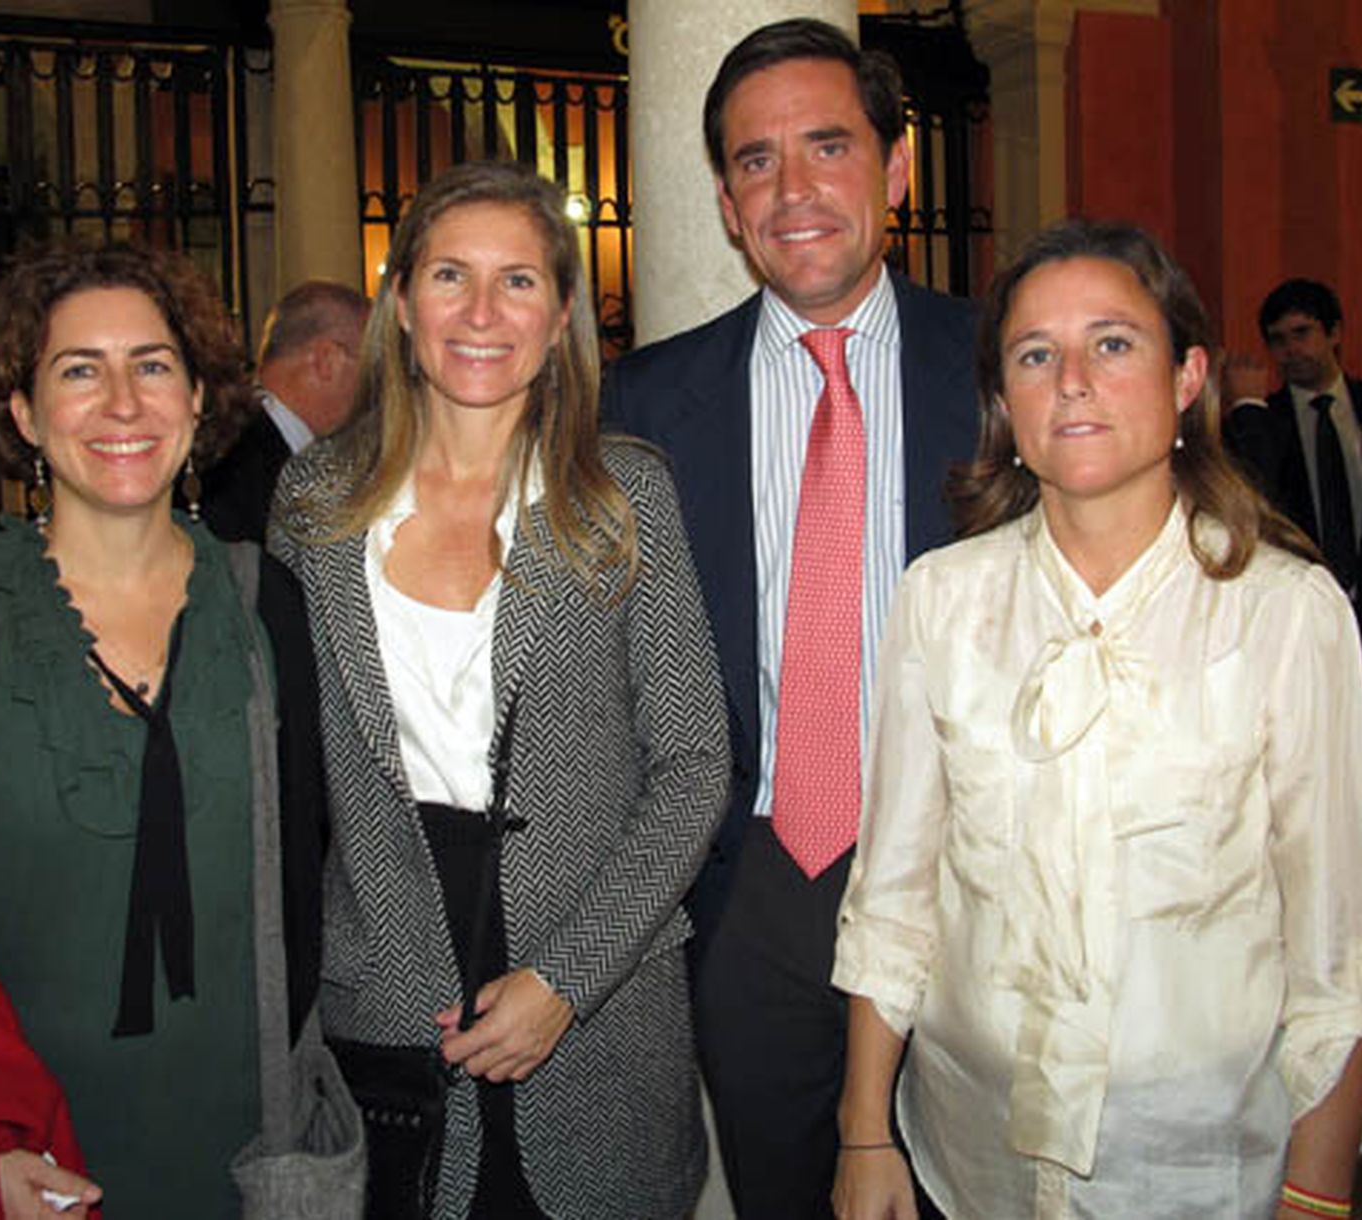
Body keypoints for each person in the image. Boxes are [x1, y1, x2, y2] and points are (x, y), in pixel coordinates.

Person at [833, 221, 1362, 1220]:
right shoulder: (942, 598)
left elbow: (1338, 956)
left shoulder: (1280, 613)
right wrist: (864, 1128)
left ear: (1187, 376)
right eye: (1035, 354)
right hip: (976, 1157)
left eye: (1112, 342)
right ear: (1003, 401)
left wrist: (1316, 1195)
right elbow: (894, 893)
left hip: (1198, 1164)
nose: (1072, 381)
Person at [269, 159, 728, 1220]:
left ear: (560, 312)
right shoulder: (312, 503)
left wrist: (566, 977)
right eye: (449, 277)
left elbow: (694, 759)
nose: (481, 313)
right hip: (388, 994)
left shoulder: (620, 497)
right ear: (400, 301)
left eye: (517, 281)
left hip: (601, 998)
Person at [601, 19, 977, 1217]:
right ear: (723, 200)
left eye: (828, 146)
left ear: (897, 170)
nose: (795, 188)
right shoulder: (644, 402)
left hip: (973, 867)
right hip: (749, 878)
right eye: (757, 161)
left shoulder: (1002, 374)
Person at [0, 242, 327, 1217]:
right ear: (24, 412)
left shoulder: (270, 611)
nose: (123, 402)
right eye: (80, 369)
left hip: (242, 1150)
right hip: (22, 1156)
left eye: (153, 364)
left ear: (200, 399)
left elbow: (313, 877)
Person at [1223, 277, 1362, 617]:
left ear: (1334, 333)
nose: (1291, 350)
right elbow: (1254, 502)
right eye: (1278, 340)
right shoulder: (1263, 424)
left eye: (1302, 333)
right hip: (1302, 599)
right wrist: (1248, 409)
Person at [197, 279, 369, 542]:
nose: (383, 387)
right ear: (327, 360)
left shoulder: (243, 441)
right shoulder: (235, 467)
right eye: (374, 366)